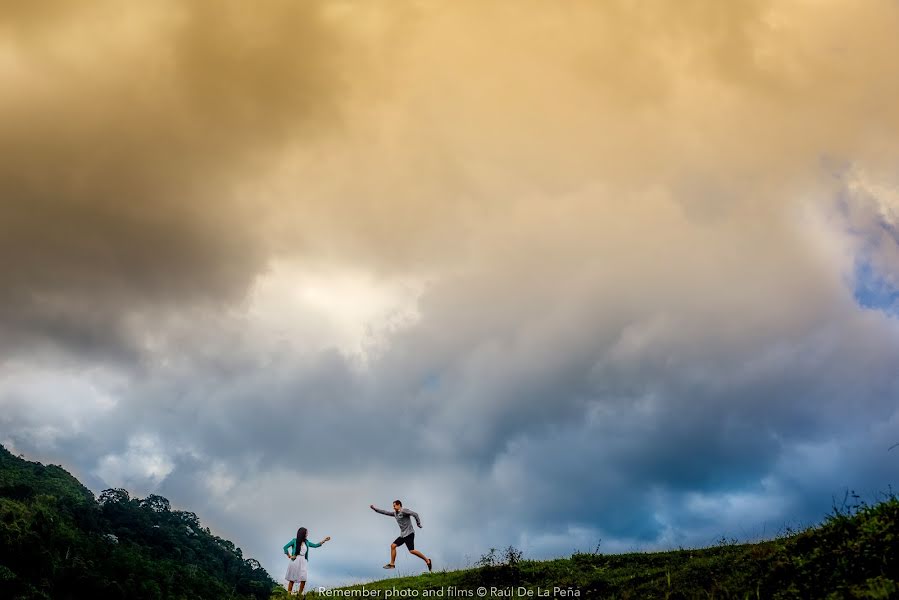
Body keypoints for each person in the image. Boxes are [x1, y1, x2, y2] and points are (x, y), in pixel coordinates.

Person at [370, 500, 432, 572]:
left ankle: (427, 560)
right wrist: (375, 509)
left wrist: (418, 523)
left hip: (409, 533)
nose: (393, 507)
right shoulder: (395, 514)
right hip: (403, 535)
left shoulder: (404, 511)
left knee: (412, 551)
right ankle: (392, 564)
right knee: (393, 546)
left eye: (394, 505)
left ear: (399, 505)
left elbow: (415, 514)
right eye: (393, 506)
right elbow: (385, 512)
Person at [283, 527, 331, 595]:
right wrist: (289, 556)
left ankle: (299, 595)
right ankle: (288, 595)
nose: (307, 534)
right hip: (295, 561)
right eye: (306, 533)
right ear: (302, 533)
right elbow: (285, 547)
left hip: (303, 561)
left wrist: (324, 540)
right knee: (292, 579)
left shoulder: (307, 542)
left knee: (303, 579)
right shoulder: (294, 541)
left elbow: (315, 545)